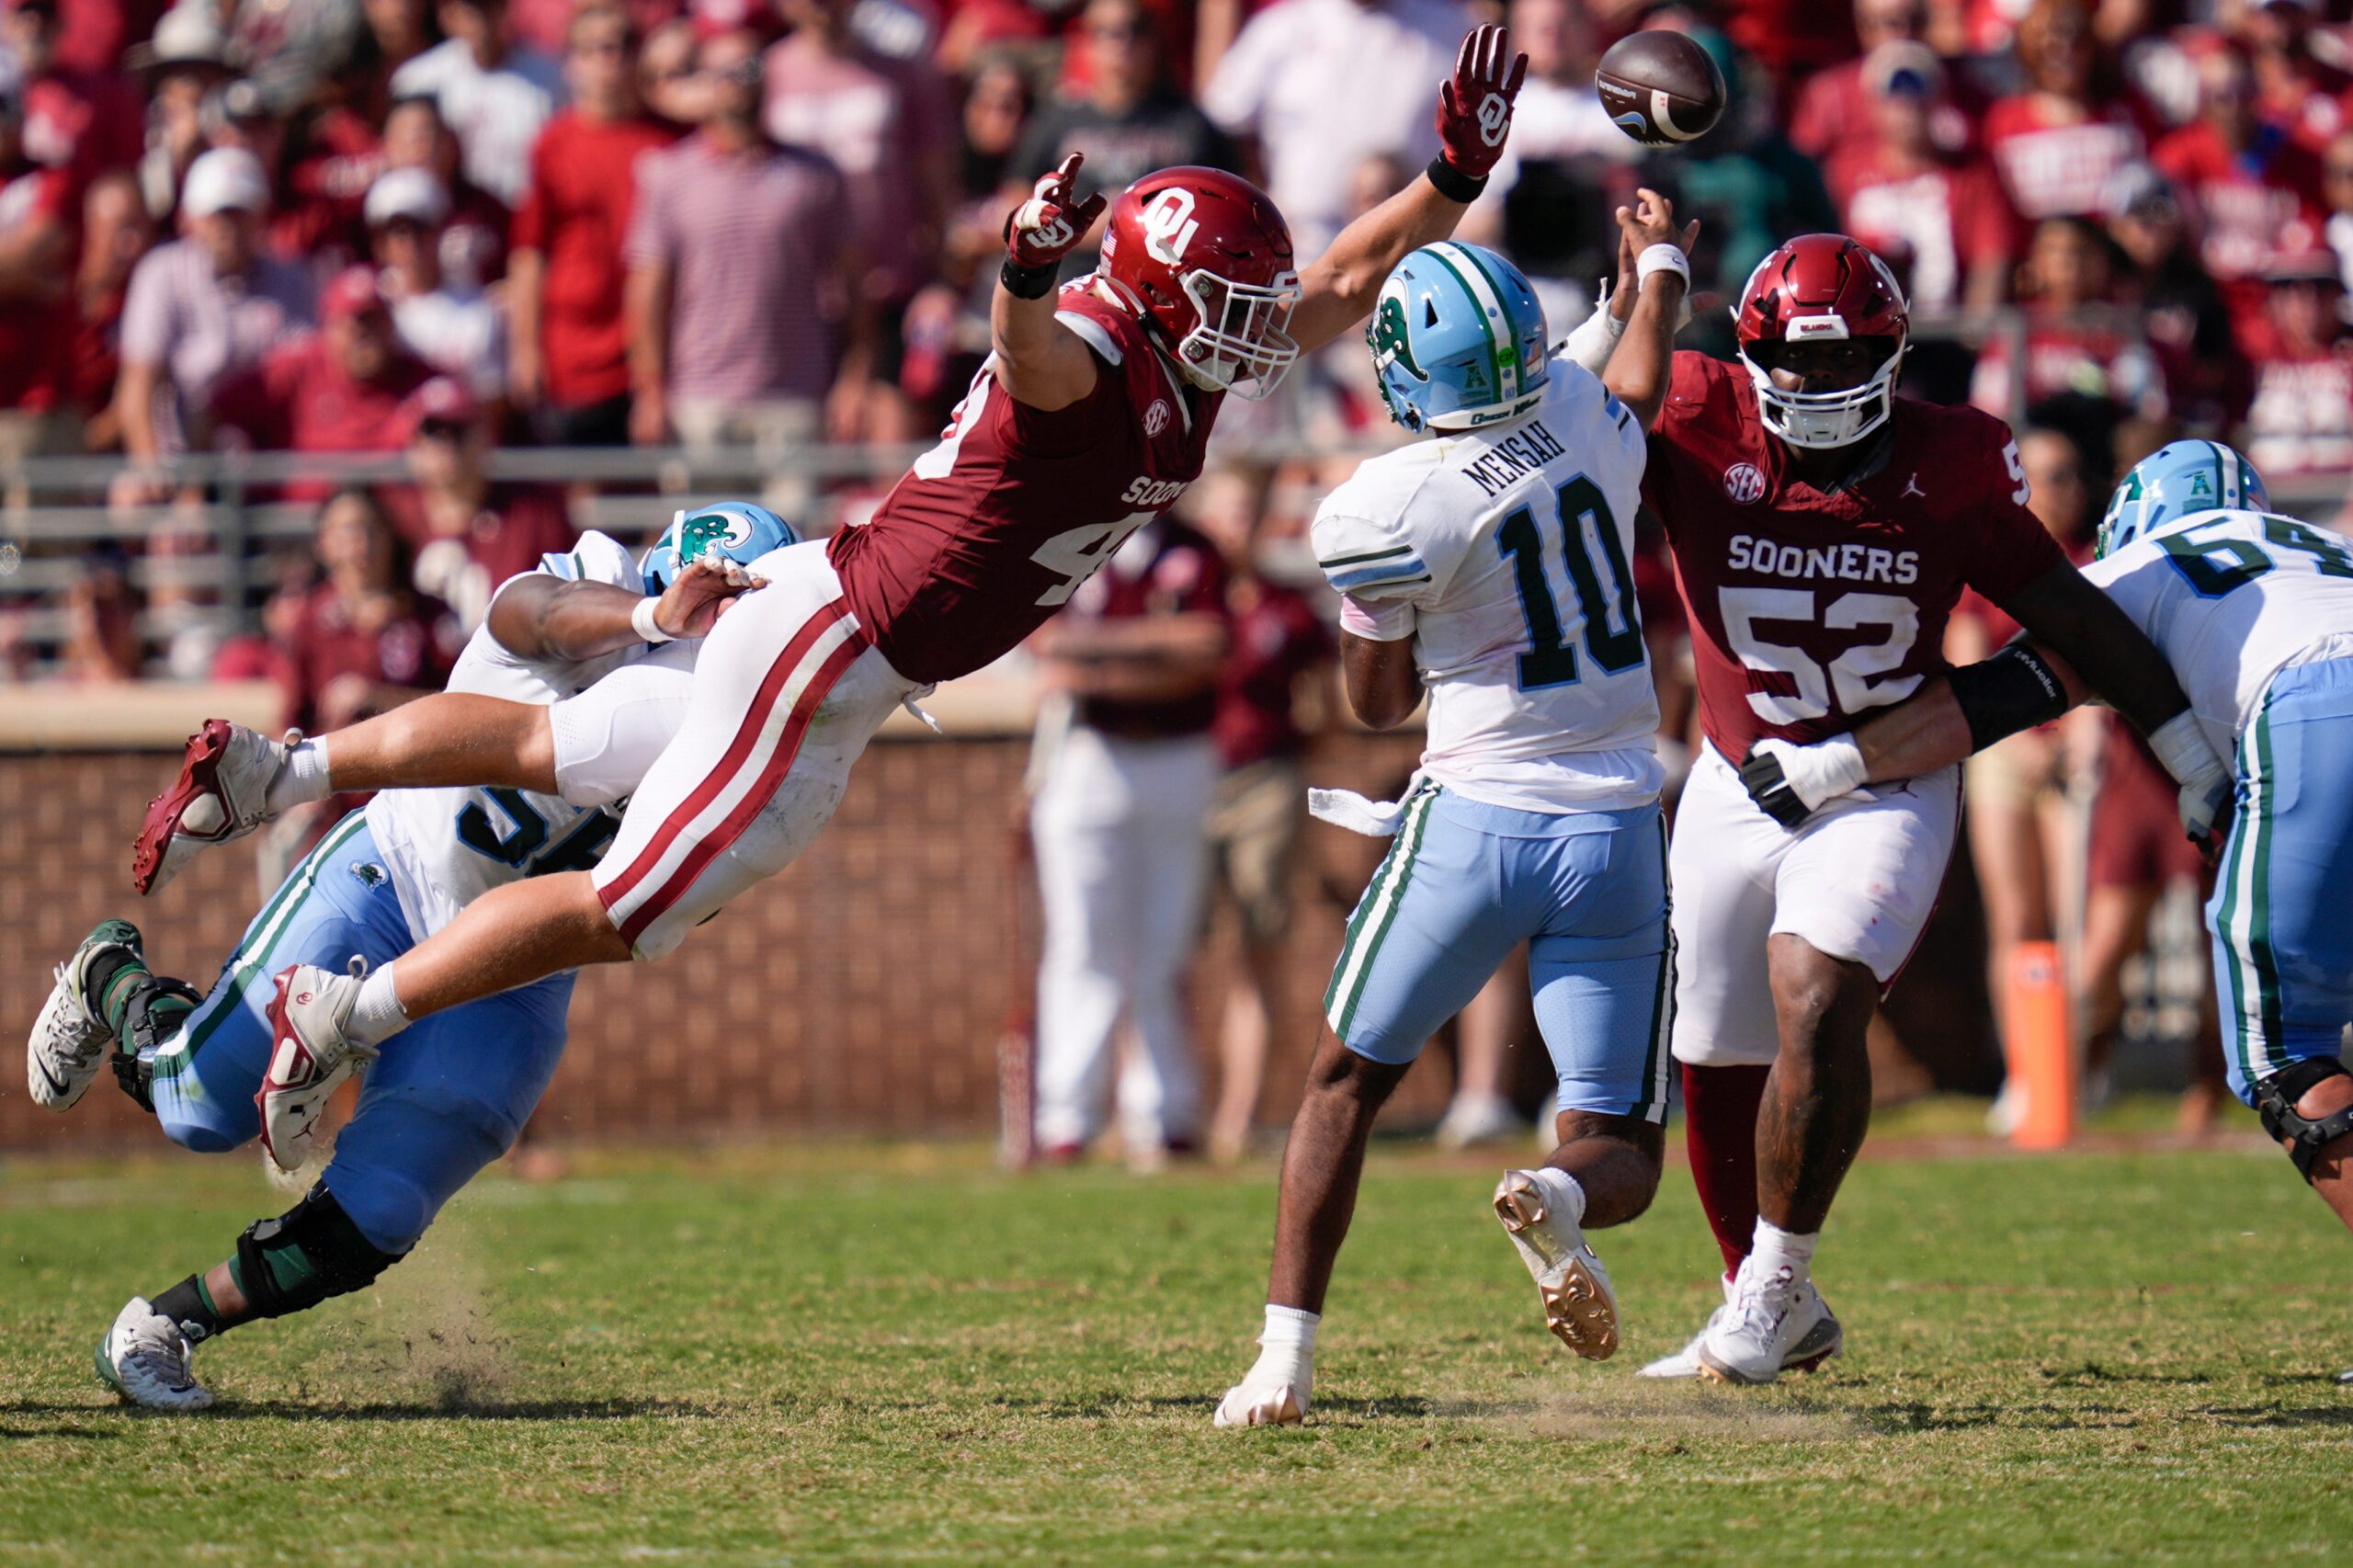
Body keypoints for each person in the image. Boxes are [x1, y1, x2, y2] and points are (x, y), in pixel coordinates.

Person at [144, 27, 1535, 1173]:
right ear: (1163, 299)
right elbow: (1029, 347)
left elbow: (1346, 279)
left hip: (825, 625)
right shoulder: (1094, 364)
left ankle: (285, 772)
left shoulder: (1169, 362)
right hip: (831, 657)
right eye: (1226, 304)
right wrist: (1024, 270)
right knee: (625, 902)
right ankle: (347, 1009)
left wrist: (1452, 175)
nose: (1254, 330)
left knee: (553, 751)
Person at [1632, 233, 2225, 1386]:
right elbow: (1593, 410)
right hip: (1732, 770)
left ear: (1892, 353)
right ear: (1746, 354)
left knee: (1813, 991)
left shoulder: (1952, 459)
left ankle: (1770, 1282)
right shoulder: (1694, 409)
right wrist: (1645, 274)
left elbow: (2068, 618)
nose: (1811, 384)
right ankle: (1760, 1298)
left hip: (1884, 780)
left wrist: (2183, 745)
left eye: (1843, 357)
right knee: (1711, 1050)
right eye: (1791, 363)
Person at [27, 509, 785, 1409]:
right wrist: (651, 620)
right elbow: (529, 612)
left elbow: (665, 910)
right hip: (388, 879)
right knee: (194, 1108)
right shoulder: (599, 587)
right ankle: (111, 976)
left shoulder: (744, 743)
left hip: (519, 965)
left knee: (377, 1213)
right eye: (725, 607)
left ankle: (166, 1323)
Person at [1214, 213, 1688, 1428]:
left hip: (1473, 823)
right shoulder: (1585, 421)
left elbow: (1377, 706)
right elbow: (1627, 370)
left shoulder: (1390, 503)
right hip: (1619, 829)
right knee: (1618, 1141)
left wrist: (1393, 622)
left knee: (1339, 1085)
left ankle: (1285, 1361)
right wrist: (1659, 278)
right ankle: (1550, 1192)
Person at [1746, 440, 2353, 1244]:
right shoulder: (2327, 552)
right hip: (2312, 699)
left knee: (2283, 1048)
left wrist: (1830, 766)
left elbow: (1990, 699)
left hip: (2314, 706)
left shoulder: (2136, 573)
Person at [1028, 512, 1230, 1165]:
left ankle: (1164, 1113)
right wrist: (1152, 645)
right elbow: (1046, 642)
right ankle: (1067, 1115)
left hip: (1179, 756)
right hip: (1088, 754)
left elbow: (1204, 648)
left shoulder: (1195, 548)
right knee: (1082, 940)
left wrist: (1099, 659)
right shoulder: (1072, 537)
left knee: (1163, 945)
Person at [622, 29, 870, 466]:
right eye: (724, 71)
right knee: (702, 533)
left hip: (793, 398)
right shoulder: (670, 175)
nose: (738, 81)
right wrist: (650, 391)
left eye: (749, 67)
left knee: (794, 535)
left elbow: (853, 283)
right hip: (699, 400)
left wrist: (852, 381)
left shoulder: (815, 176)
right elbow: (648, 291)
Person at [1196, 468, 1333, 1162]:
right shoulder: (1176, 596)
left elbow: (1328, 693)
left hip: (1266, 780)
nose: (1233, 526)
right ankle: (1164, 1111)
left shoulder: (1287, 605)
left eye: (1245, 511)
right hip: (1184, 783)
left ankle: (1236, 1117)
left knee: (1258, 948)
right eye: (1223, 511)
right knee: (1169, 951)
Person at [507, 3, 676, 446]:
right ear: (572, 61)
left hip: (657, 351)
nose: (613, 59)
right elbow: (529, 254)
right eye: (598, 48)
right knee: (584, 497)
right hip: (575, 352)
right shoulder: (553, 144)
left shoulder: (671, 141)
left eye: (625, 45)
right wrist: (525, 349)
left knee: (654, 499)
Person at [115, 145, 313, 479]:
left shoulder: (295, 281)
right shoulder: (161, 273)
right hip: (179, 460)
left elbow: (311, 379)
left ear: (263, 215)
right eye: (217, 214)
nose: (228, 227)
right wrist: (153, 475)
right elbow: (137, 388)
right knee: (131, 505)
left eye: (240, 213)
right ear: (190, 219)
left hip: (271, 460)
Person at [1007, 0, 1238, 278]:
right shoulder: (1055, 122)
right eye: (1107, 32)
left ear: (1154, 41)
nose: (1122, 44)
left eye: (1135, 30)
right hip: (1073, 282)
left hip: (1163, 285)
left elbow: (1232, 210)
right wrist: (1090, 228)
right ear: (1087, 41)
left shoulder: (1191, 123)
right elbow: (1015, 211)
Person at [388, 0, 563, 210]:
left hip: (522, 217)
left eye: (487, 8)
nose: (480, 22)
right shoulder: (419, 79)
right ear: (450, 17)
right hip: (451, 223)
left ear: (505, 9)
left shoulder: (550, 78)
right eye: (470, 11)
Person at [366, 166, 506, 401]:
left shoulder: (477, 311)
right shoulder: (369, 307)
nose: (411, 243)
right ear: (380, 243)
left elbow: (492, 405)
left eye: (421, 229)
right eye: (399, 231)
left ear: (441, 232)